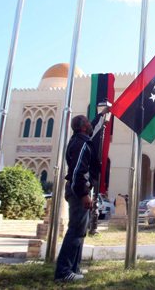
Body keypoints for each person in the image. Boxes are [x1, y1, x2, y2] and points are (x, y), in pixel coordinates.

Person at [54, 115, 95, 283]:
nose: (90, 124)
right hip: (78, 190)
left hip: (77, 188)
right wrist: (84, 193)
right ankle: (64, 272)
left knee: (80, 231)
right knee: (75, 231)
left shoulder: (77, 141)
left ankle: (73, 268)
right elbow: (78, 170)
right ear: (83, 127)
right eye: (88, 122)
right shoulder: (81, 143)